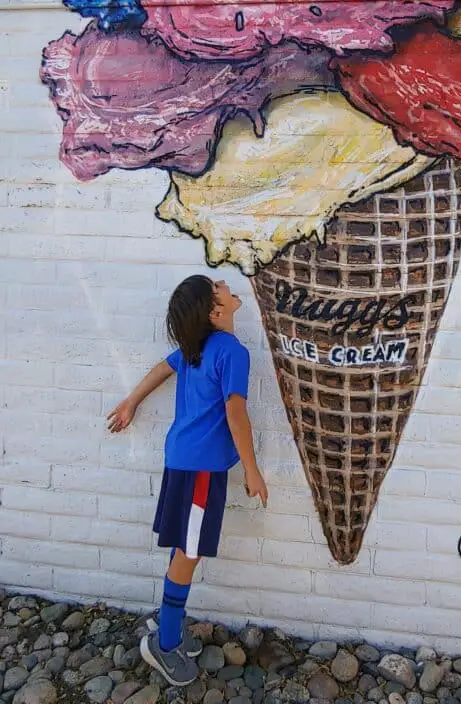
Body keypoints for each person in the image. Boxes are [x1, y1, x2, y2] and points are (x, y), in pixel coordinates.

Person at [107, 275, 268, 687]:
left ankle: (169, 629)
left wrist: (131, 400)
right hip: (200, 469)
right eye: (218, 288)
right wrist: (252, 470)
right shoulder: (231, 351)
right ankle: (165, 642)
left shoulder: (199, 348)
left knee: (185, 547)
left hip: (183, 458)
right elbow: (236, 414)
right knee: (188, 552)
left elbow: (164, 367)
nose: (224, 282)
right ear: (217, 312)